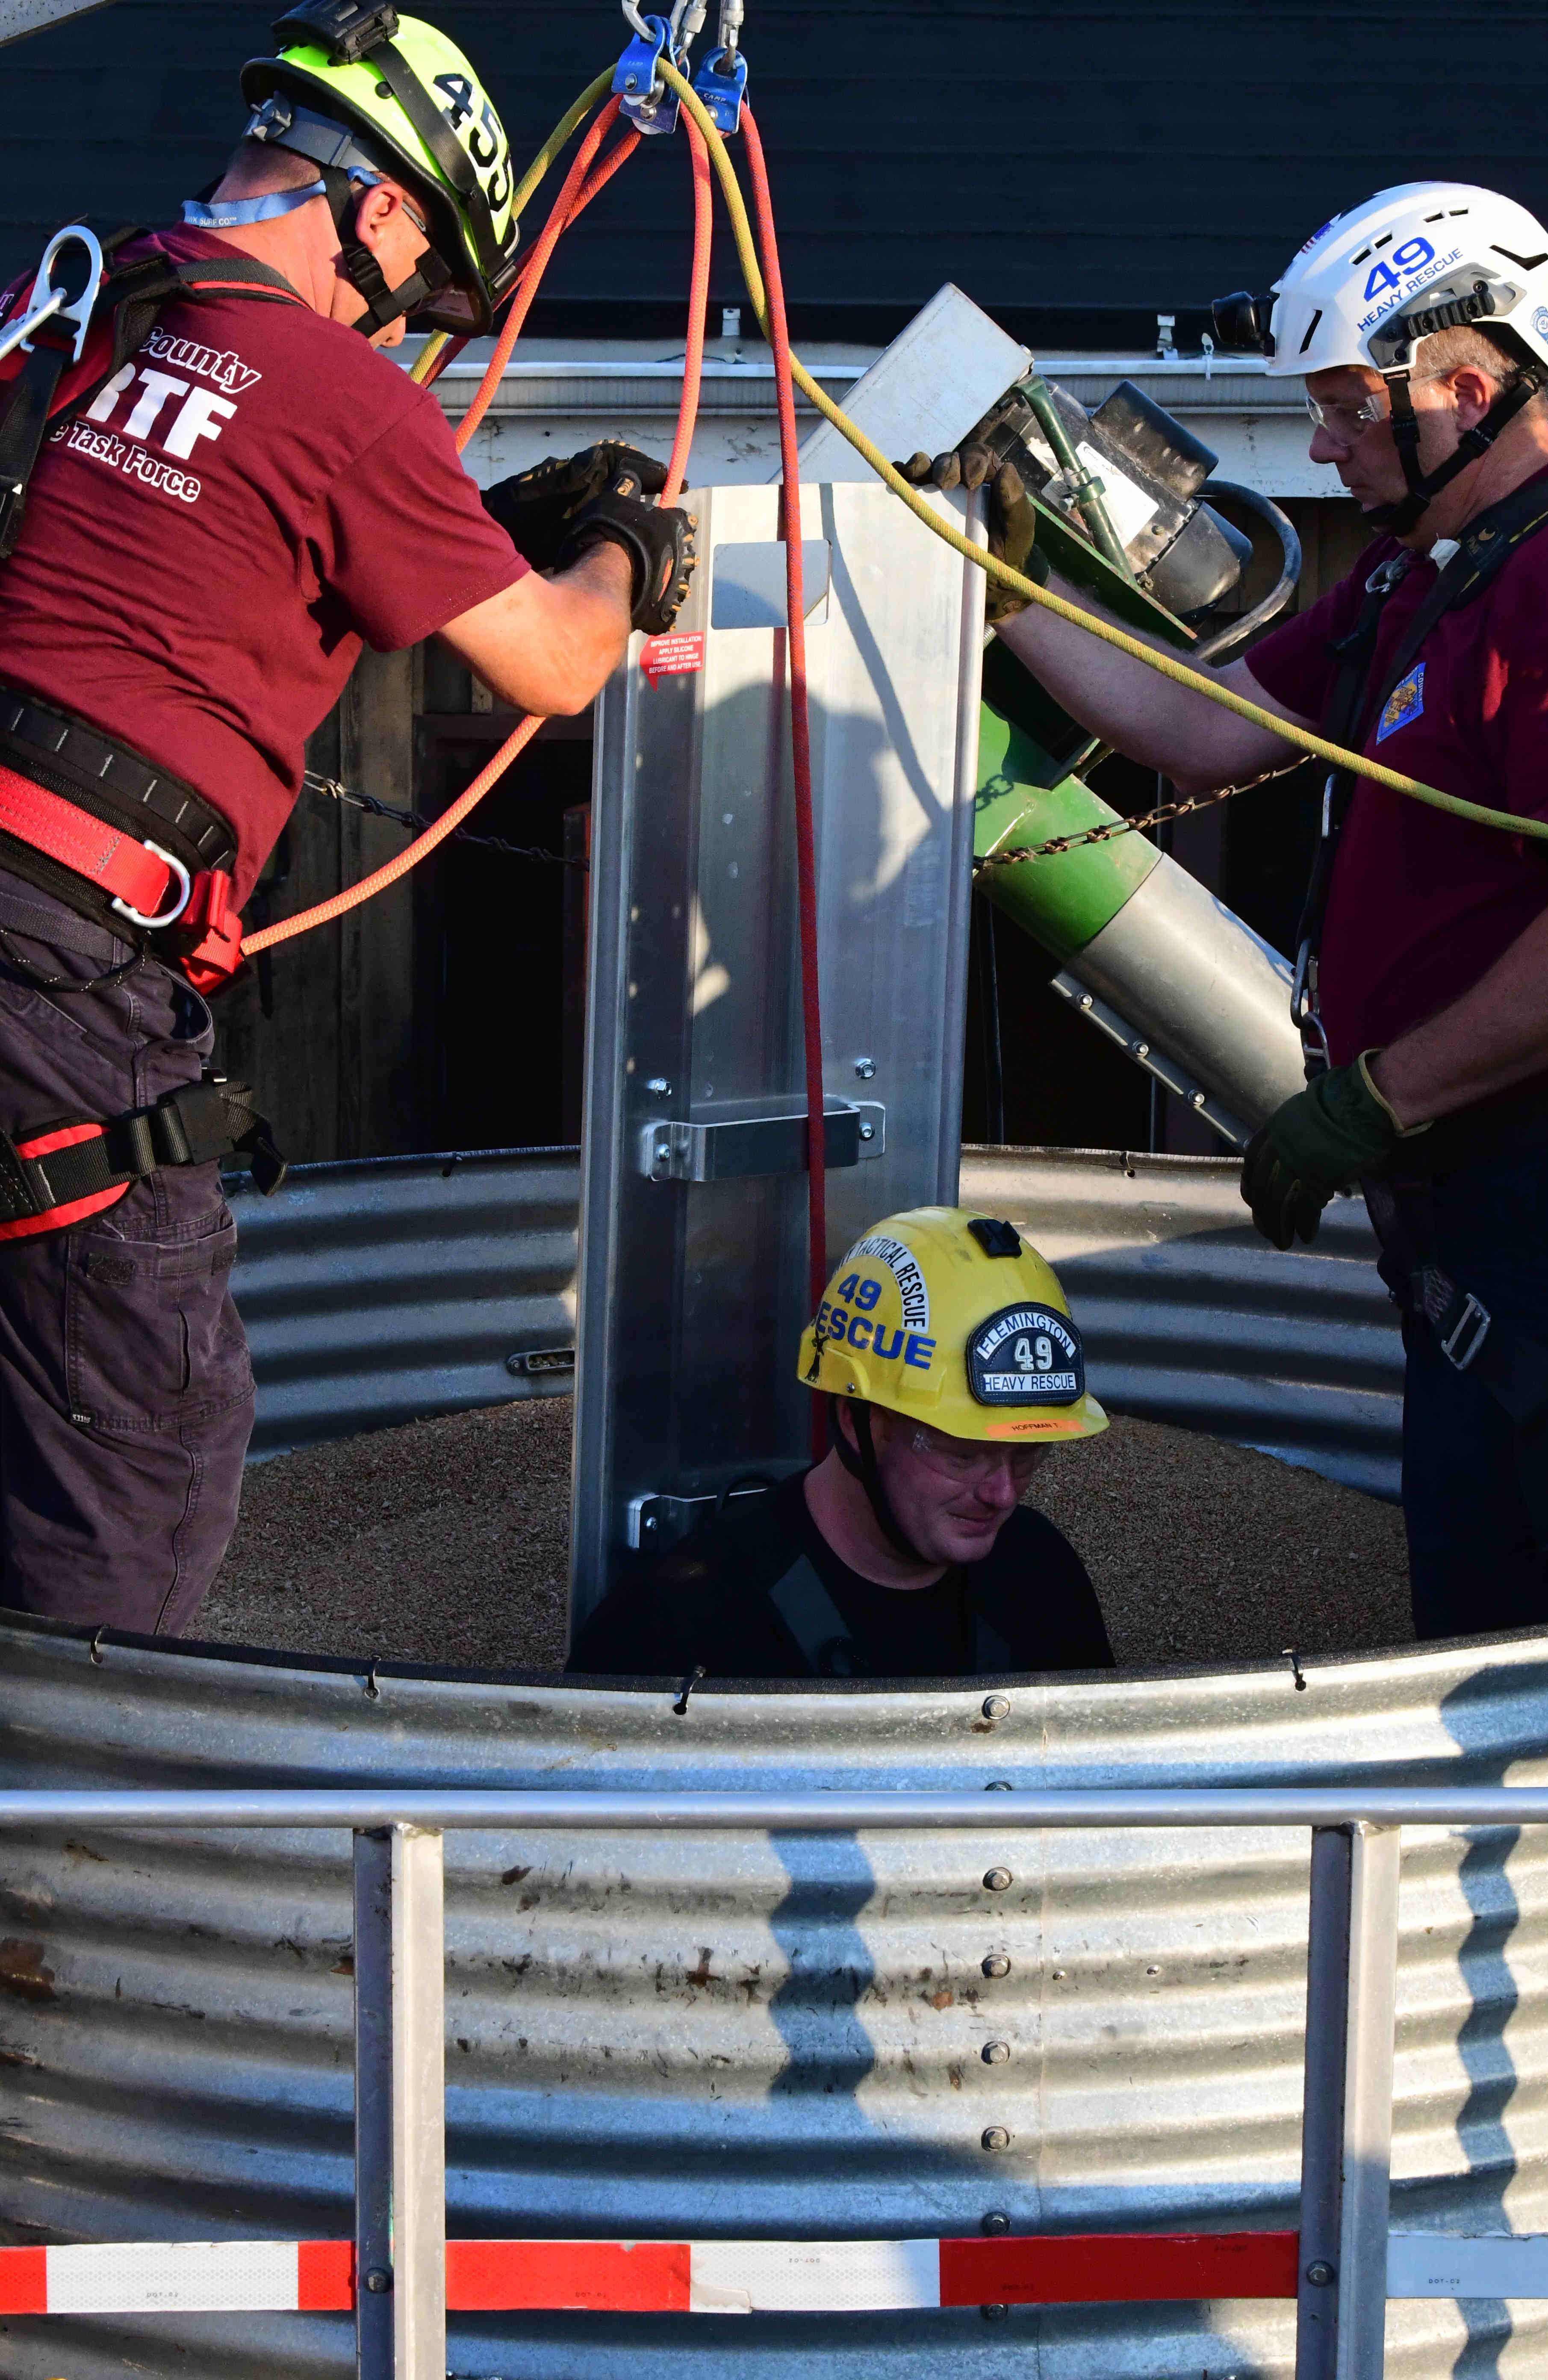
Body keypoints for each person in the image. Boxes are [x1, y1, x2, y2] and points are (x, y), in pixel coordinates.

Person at [0, 2, 691, 1635]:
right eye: (427, 281)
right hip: (63, 976)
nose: (413, 329)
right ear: (379, 206)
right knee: (140, 1442)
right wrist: (622, 555)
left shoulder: (70, 314)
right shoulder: (330, 387)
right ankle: (79, 1853)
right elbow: (554, 667)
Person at [905, 183, 1548, 1643]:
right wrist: (1005, 587)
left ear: (1467, 386)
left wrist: (1377, 1100)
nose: (1324, 445)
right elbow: (1202, 728)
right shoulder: (1417, 577)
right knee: (1468, 1590)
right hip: (1468, 1219)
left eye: (1348, 407)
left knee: (1527, 1642)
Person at [571, 1206, 1115, 1681]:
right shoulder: (680, 1626)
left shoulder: (1039, 1576)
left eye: (1026, 1455)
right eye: (962, 1455)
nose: (1001, 1495)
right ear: (856, 1425)